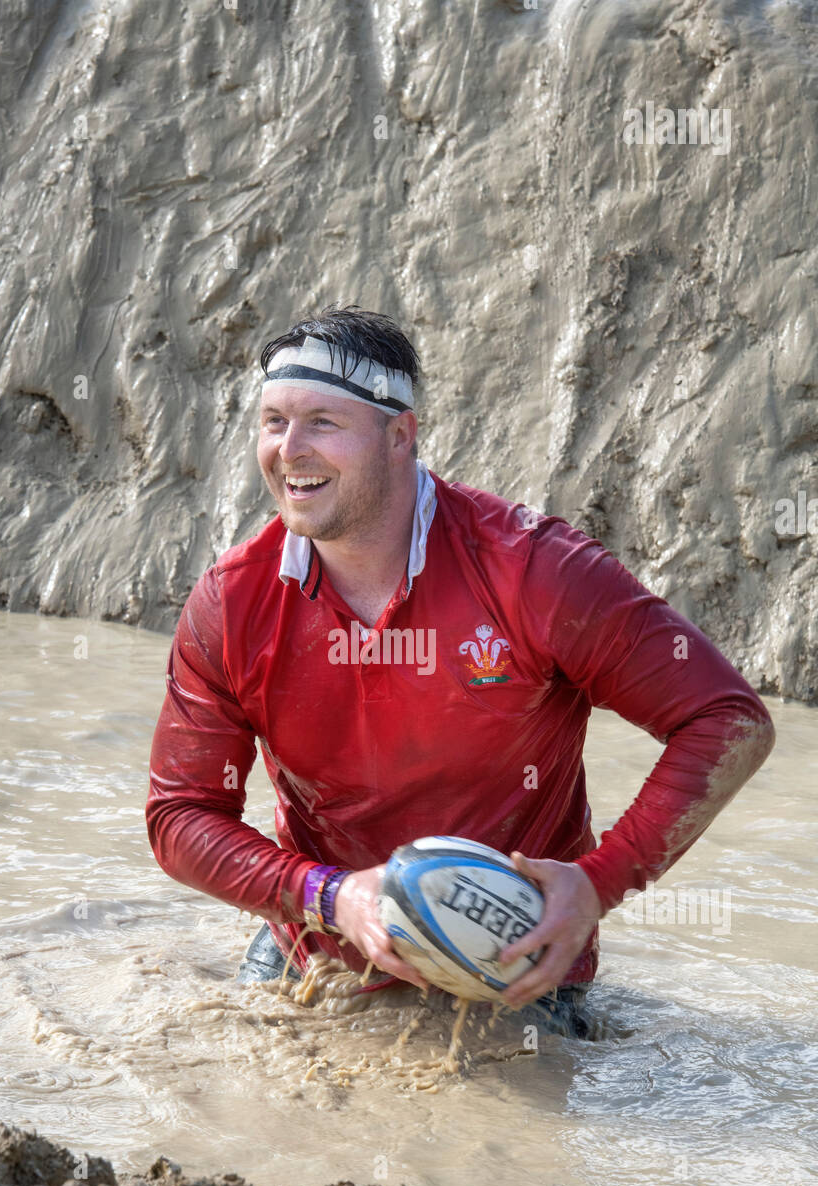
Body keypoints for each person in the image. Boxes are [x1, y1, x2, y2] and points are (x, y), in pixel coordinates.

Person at [145, 305, 775, 1040]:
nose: (289, 449)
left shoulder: (533, 571)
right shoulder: (232, 601)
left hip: (512, 964)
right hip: (320, 942)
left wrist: (599, 884)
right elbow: (180, 817)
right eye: (274, 421)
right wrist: (329, 895)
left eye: (322, 422)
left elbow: (728, 721)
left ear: (400, 434)